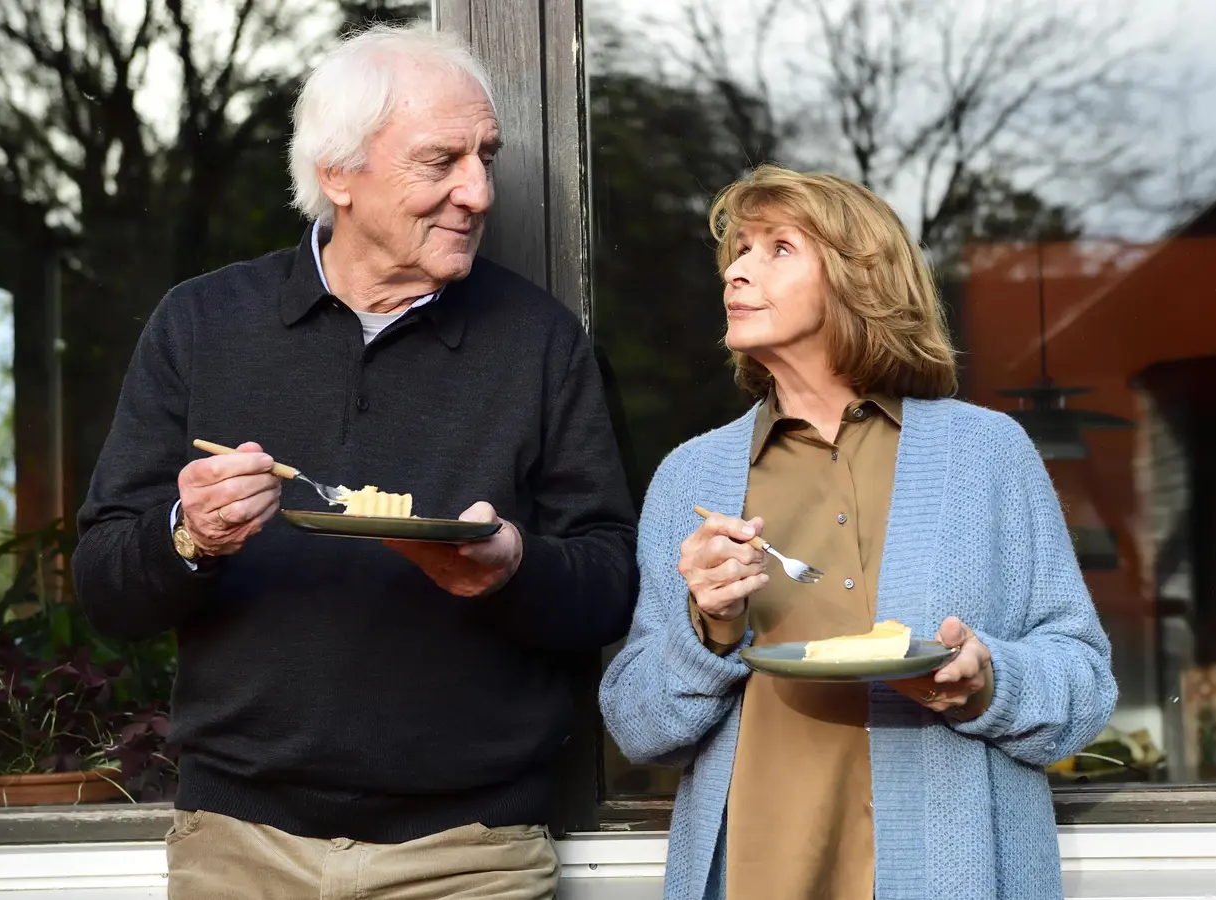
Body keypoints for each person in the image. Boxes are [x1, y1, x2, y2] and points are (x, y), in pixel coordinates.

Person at [72, 23, 638, 900]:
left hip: (469, 854)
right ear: (338, 173)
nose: (478, 192)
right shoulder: (202, 324)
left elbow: (610, 586)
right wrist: (190, 535)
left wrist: (511, 570)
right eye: (440, 160)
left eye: (486, 157)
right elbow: (107, 585)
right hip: (238, 846)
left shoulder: (542, 345)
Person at [598, 164, 1117, 900]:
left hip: (951, 874)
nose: (738, 273)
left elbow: (1085, 688)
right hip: (756, 872)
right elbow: (638, 725)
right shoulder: (692, 480)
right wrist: (708, 628)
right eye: (738, 252)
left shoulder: (986, 455)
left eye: (778, 248)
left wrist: (985, 680)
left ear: (857, 280)